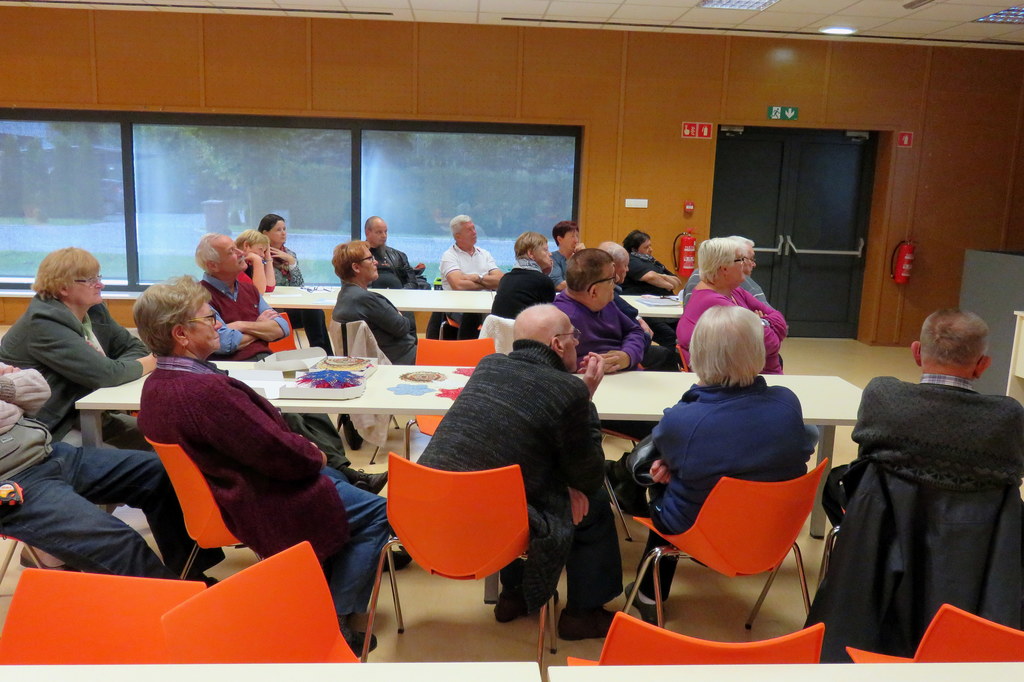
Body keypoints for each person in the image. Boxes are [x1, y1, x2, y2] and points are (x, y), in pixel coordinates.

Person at [133, 276, 390, 654]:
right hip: (259, 497)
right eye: (209, 318)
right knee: (381, 512)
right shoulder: (204, 393)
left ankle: (320, 583)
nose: (219, 325)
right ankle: (333, 621)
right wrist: (315, 454)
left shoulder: (159, 384)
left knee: (340, 479)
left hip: (227, 490)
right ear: (181, 334)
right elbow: (277, 454)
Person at [807, 309, 1024, 660]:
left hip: (880, 541)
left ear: (917, 352)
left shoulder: (883, 396)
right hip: (974, 557)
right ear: (982, 365)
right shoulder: (1007, 417)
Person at [418, 304, 622, 640]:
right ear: (557, 344)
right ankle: (583, 615)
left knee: (515, 489)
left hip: (427, 512)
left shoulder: (489, 364)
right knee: (595, 504)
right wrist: (584, 401)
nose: (577, 342)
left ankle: (514, 596)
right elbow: (588, 476)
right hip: (494, 520)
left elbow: (515, 447)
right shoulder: (568, 390)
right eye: (573, 336)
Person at [628, 306, 815, 623]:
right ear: (758, 351)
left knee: (663, 488)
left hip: (706, 537)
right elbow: (798, 450)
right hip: (775, 533)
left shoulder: (684, 421)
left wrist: (675, 463)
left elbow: (668, 446)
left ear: (698, 355)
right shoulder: (787, 401)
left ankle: (649, 596)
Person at [196, 234, 385, 492]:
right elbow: (224, 342)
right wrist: (261, 327)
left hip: (267, 364)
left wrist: (241, 325)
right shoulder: (201, 297)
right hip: (235, 371)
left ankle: (342, 472)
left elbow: (282, 327)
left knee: (314, 403)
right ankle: (344, 477)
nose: (240, 253)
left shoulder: (247, 288)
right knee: (290, 415)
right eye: (231, 251)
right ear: (212, 265)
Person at [0, 362, 222, 580]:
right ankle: (173, 600)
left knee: (163, 475)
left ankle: (190, 577)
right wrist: (10, 389)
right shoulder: (43, 333)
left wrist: (4, 387)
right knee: (117, 542)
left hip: (48, 453)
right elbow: (108, 372)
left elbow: (37, 387)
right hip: (12, 482)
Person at [0, 247, 156, 449]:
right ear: (63, 288)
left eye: (98, 277)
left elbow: (133, 348)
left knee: (163, 435)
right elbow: (107, 375)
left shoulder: (94, 310)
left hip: (88, 413)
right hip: (51, 428)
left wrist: (111, 366)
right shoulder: (43, 323)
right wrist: (153, 360)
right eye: (90, 280)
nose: (101, 284)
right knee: (146, 457)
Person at [553, 248, 675, 375]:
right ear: (594, 291)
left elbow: (635, 330)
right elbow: (556, 367)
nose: (617, 280)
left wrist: (627, 355)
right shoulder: (560, 319)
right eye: (611, 279)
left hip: (626, 375)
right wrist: (592, 365)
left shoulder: (605, 303)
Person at [677, 237, 787, 374]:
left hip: (752, 375)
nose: (745, 264)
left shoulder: (733, 290)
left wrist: (761, 322)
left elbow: (780, 321)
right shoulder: (713, 303)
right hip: (737, 380)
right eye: (740, 259)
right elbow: (770, 343)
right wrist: (760, 322)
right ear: (724, 268)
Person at [256, 213, 333, 353]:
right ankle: (322, 353)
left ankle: (324, 353)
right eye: (278, 230)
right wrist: (268, 260)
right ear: (265, 233)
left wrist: (291, 262)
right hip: (270, 308)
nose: (283, 233)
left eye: (284, 229)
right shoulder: (258, 255)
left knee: (315, 312)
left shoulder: (289, 254)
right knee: (311, 314)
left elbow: (299, 285)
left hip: (289, 304)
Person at [332, 240, 417, 365]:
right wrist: (398, 314)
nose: (376, 262)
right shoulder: (365, 300)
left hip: (379, 360)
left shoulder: (345, 295)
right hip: (400, 361)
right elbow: (403, 326)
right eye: (370, 259)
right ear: (356, 267)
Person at [434, 214, 503, 339]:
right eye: (469, 230)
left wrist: (477, 278)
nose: (474, 232)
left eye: (473, 228)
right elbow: (458, 285)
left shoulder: (484, 254)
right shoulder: (449, 256)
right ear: (458, 236)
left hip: (486, 304)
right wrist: (487, 282)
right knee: (473, 316)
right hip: (458, 306)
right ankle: (469, 349)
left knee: (504, 312)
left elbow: (500, 280)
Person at [621, 229, 681, 348]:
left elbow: (677, 281)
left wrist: (662, 277)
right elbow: (650, 277)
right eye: (646, 247)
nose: (651, 249)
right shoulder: (631, 260)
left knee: (682, 331)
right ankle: (669, 359)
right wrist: (668, 284)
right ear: (634, 249)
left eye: (650, 246)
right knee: (669, 336)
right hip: (647, 312)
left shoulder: (652, 261)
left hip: (665, 309)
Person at [681, 236, 772, 307]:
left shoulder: (736, 290)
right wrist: (757, 319)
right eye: (741, 259)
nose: (753, 264)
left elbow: (773, 315)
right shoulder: (712, 298)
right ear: (725, 267)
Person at [491, 231, 556, 320]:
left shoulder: (505, 279)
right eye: (545, 250)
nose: (550, 254)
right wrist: (546, 276)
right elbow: (549, 319)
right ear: (531, 254)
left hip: (500, 328)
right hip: (526, 328)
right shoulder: (543, 282)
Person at [363, 216, 429, 291]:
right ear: (367, 233)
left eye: (385, 232)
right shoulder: (358, 256)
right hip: (369, 295)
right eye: (379, 232)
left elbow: (412, 282)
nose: (384, 236)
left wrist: (400, 293)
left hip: (399, 295)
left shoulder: (399, 256)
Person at [234, 229, 275, 295]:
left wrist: (268, 257)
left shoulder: (247, 263)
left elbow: (269, 288)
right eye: (260, 249)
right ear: (246, 245)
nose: (263, 255)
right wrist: (257, 261)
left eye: (264, 251)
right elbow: (258, 292)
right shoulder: (233, 265)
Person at [549, 220, 583, 292]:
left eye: (577, 236)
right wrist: (585, 284)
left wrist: (583, 256)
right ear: (559, 239)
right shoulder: (552, 258)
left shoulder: (580, 258)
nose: (576, 240)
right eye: (572, 236)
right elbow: (559, 285)